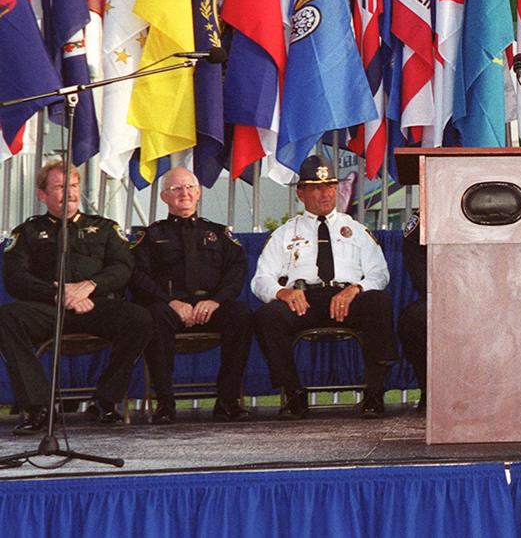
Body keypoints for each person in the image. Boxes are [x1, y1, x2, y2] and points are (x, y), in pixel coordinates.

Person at [0, 161, 151, 432]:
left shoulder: (104, 228)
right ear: (42, 195)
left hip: (96, 306)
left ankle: (105, 402)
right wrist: (59, 294)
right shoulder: (28, 232)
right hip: (49, 308)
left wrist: (90, 285)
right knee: (6, 318)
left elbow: (123, 267)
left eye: (72, 186)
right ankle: (39, 408)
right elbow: (15, 278)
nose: (68, 192)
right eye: (59, 187)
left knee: (138, 318)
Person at [251, 155, 396, 419]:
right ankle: (293, 394)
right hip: (304, 300)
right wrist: (282, 293)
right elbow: (261, 279)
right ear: (301, 193)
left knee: (378, 301)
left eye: (330, 186)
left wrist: (357, 289)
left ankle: (375, 393)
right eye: (316, 187)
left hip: (347, 298)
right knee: (267, 316)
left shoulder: (356, 230)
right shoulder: (284, 233)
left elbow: (380, 273)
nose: (325, 193)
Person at [130, 166, 253, 424]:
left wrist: (216, 300)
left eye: (189, 187)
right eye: (176, 188)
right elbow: (138, 276)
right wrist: (170, 302)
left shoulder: (219, 234)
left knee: (241, 315)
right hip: (169, 307)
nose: (184, 193)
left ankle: (227, 401)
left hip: (211, 304)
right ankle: (165, 403)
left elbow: (236, 270)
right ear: (164, 197)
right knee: (153, 316)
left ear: (198, 193)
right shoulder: (151, 236)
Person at [397, 210, 427, 411]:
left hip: (491, 295)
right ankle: (429, 389)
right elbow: (420, 275)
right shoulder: (422, 221)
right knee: (413, 320)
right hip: (443, 295)